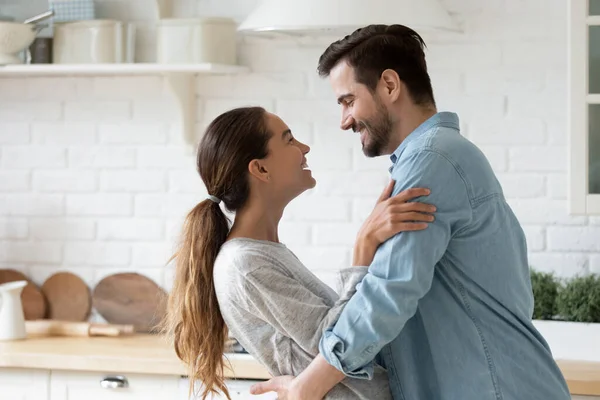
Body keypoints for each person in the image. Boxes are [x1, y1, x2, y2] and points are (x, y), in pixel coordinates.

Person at [250, 24, 572, 400]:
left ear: (389, 85)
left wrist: (310, 384)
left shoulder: (432, 160)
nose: (344, 120)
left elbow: (389, 291)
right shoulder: (438, 156)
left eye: (348, 100)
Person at [163, 106, 438, 400]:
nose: (304, 148)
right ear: (260, 169)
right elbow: (336, 345)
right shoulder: (244, 265)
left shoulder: (261, 254)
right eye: (289, 139)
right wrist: (364, 248)